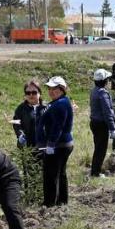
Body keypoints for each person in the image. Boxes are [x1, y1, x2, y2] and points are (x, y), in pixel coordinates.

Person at [36, 76, 74, 206]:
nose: (51, 91)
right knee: (60, 173)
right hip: (61, 144)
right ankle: (61, 201)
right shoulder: (57, 102)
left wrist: (51, 144)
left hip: (59, 145)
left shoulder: (61, 104)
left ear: (62, 89)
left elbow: (58, 126)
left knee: (51, 175)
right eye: (49, 88)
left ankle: (49, 204)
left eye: (54, 88)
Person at [89, 68, 115, 177]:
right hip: (101, 124)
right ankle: (96, 173)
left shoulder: (94, 91)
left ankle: (95, 171)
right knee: (101, 149)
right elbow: (107, 112)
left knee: (98, 147)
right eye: (108, 79)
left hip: (94, 122)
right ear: (105, 81)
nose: (109, 81)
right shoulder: (103, 93)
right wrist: (112, 128)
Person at [12, 79, 45, 148]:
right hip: (26, 147)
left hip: (43, 147)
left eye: (34, 92)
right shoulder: (21, 108)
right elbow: (16, 123)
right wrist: (20, 135)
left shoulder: (47, 107)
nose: (31, 95)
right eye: (28, 93)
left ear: (40, 93)